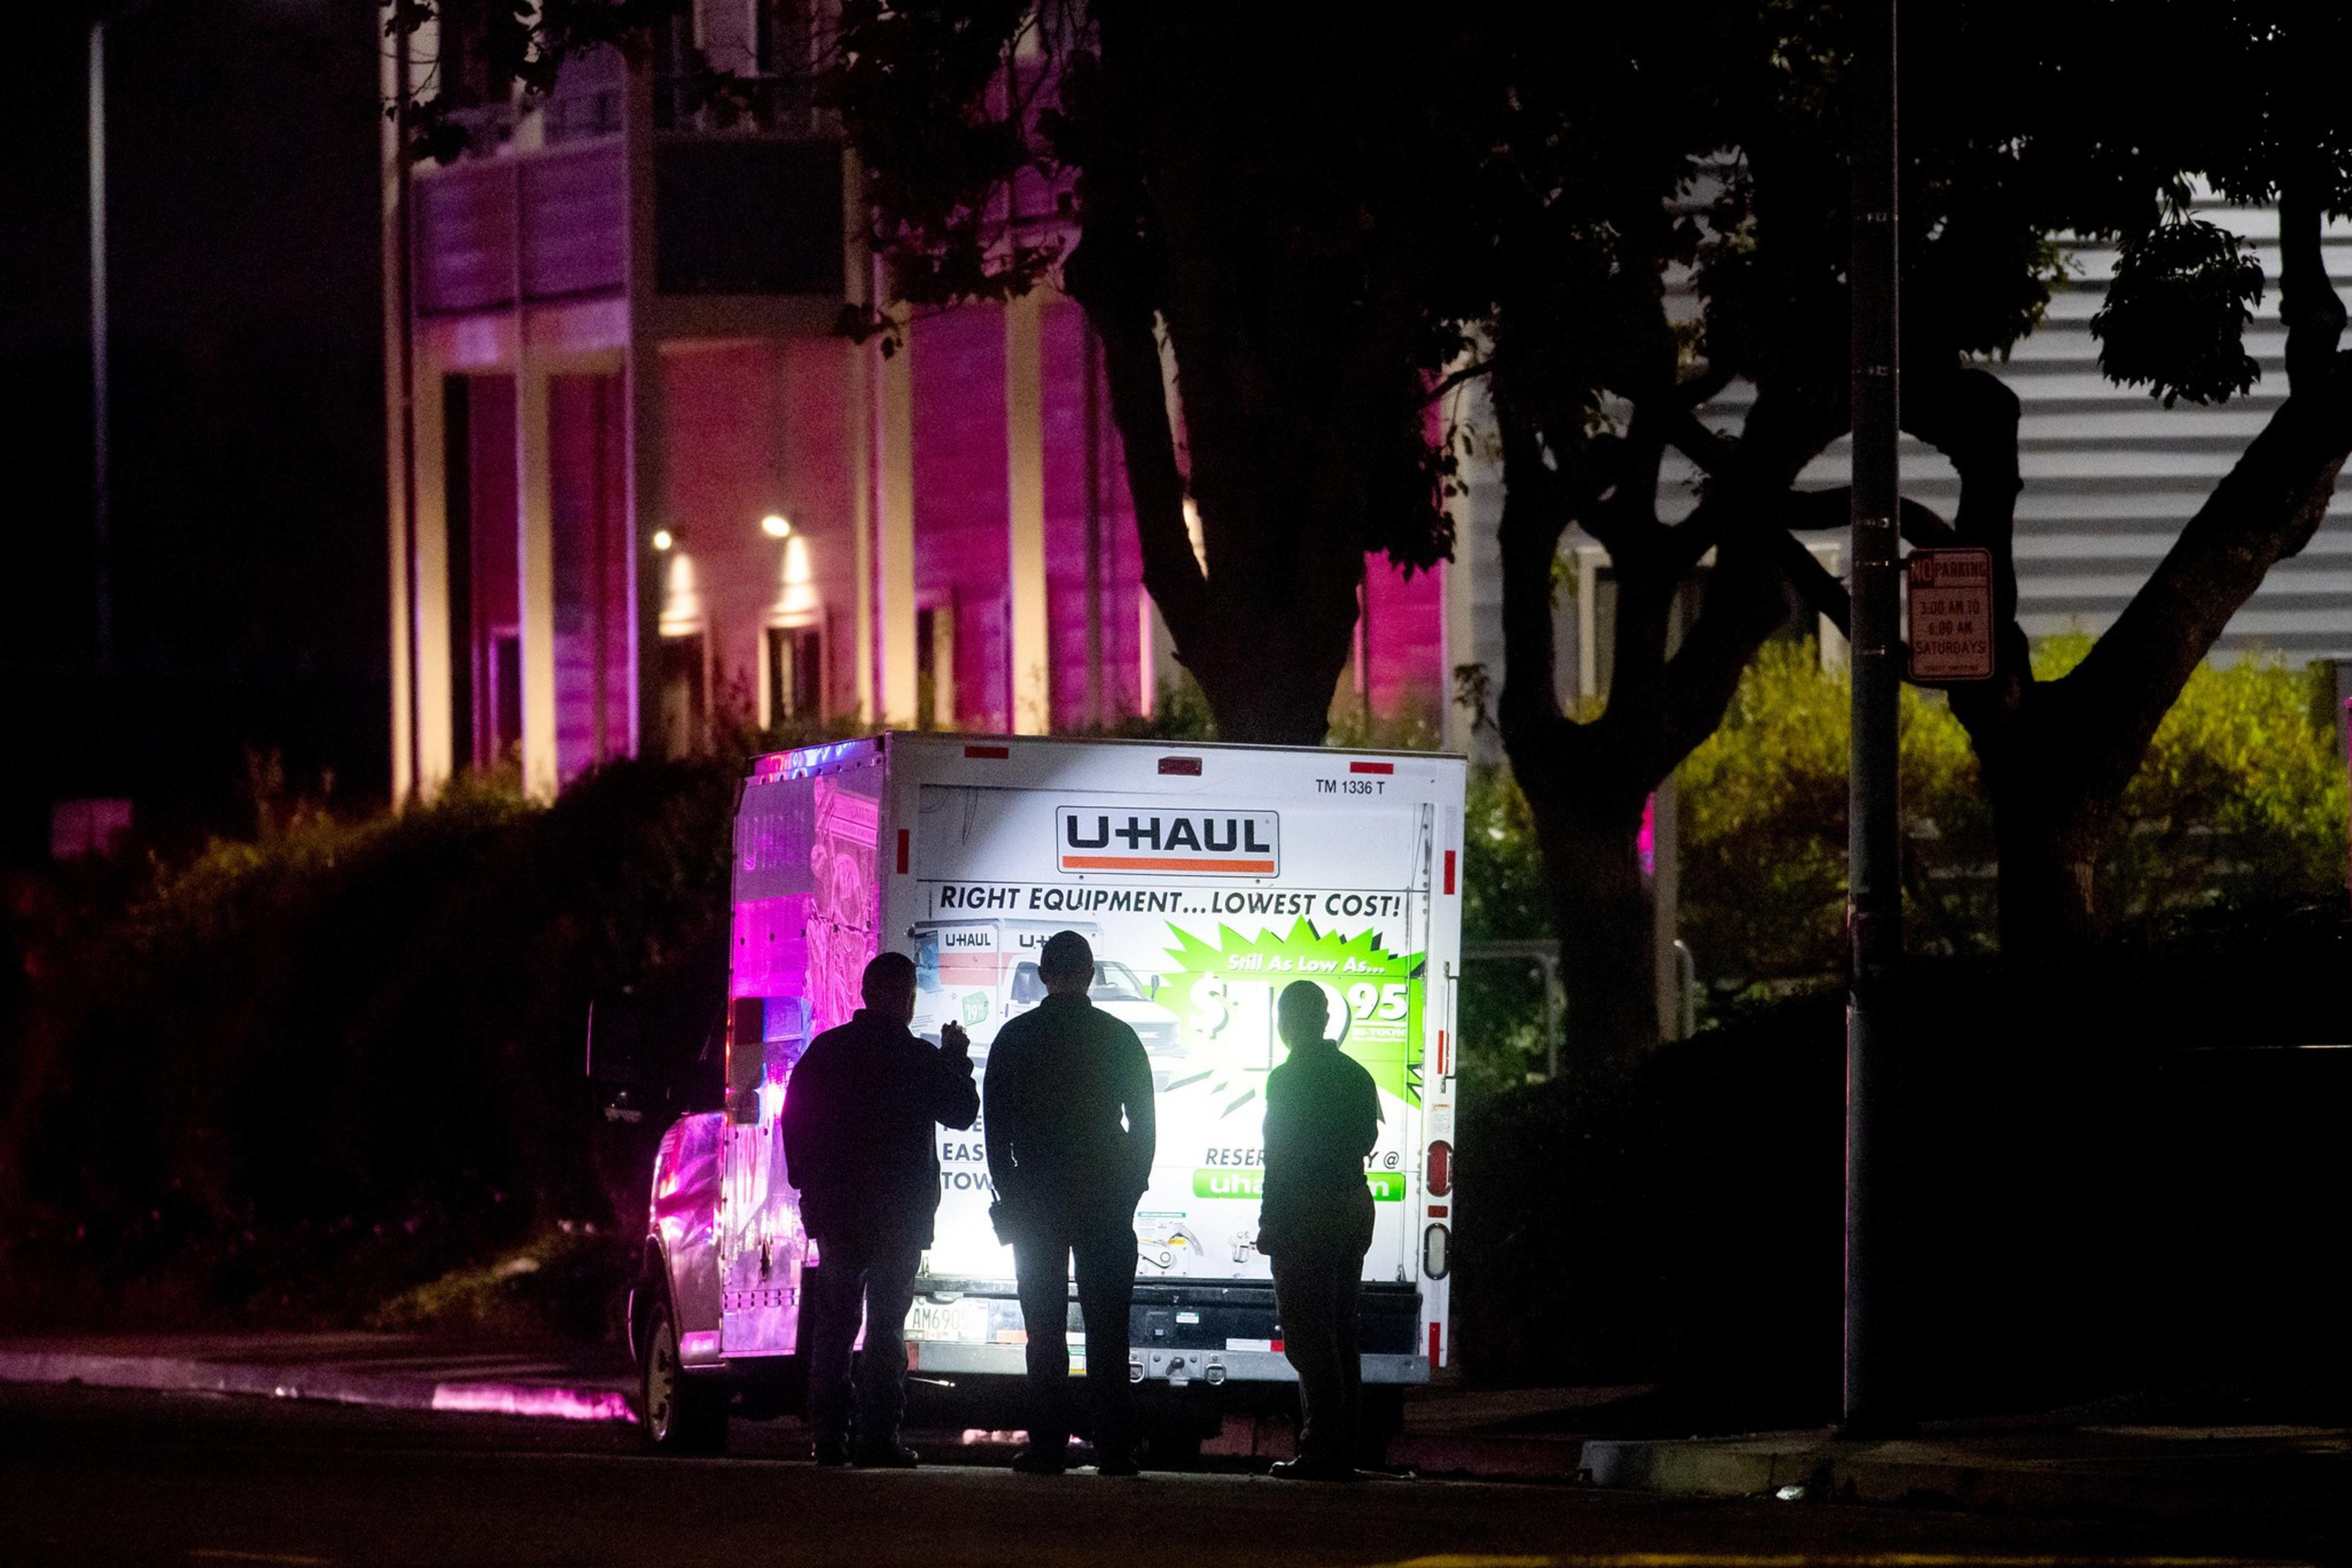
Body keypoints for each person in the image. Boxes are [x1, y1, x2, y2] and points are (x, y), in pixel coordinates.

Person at [781, 951, 978, 1468]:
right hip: (899, 1216)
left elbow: (793, 1121)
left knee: (836, 1327)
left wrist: (808, 1188)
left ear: (865, 995)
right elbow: (960, 1112)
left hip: (839, 1215)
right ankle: (878, 1438)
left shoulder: (826, 1052)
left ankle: (828, 1438)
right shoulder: (915, 1058)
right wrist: (955, 1058)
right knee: (887, 1328)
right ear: (906, 998)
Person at [983, 930, 1155, 1477]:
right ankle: (1113, 1449)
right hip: (1105, 1200)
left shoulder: (1015, 1037)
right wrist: (1130, 1188)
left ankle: (1048, 1446)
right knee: (1109, 1330)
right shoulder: (1118, 1037)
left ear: (1041, 973)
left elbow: (995, 1129)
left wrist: (1010, 1190)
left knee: (1045, 1330)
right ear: (1089, 974)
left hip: (1036, 1199)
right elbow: (1144, 1126)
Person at [1257, 980, 1382, 1481]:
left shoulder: (1286, 1079)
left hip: (1307, 1211)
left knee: (1307, 1335)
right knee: (1339, 1330)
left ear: (1286, 1022)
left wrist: (1270, 1220)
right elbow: (1368, 1136)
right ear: (1326, 1020)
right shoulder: (1356, 1074)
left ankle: (1322, 1449)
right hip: (1353, 1204)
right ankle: (1341, 1449)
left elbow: (1279, 1155)